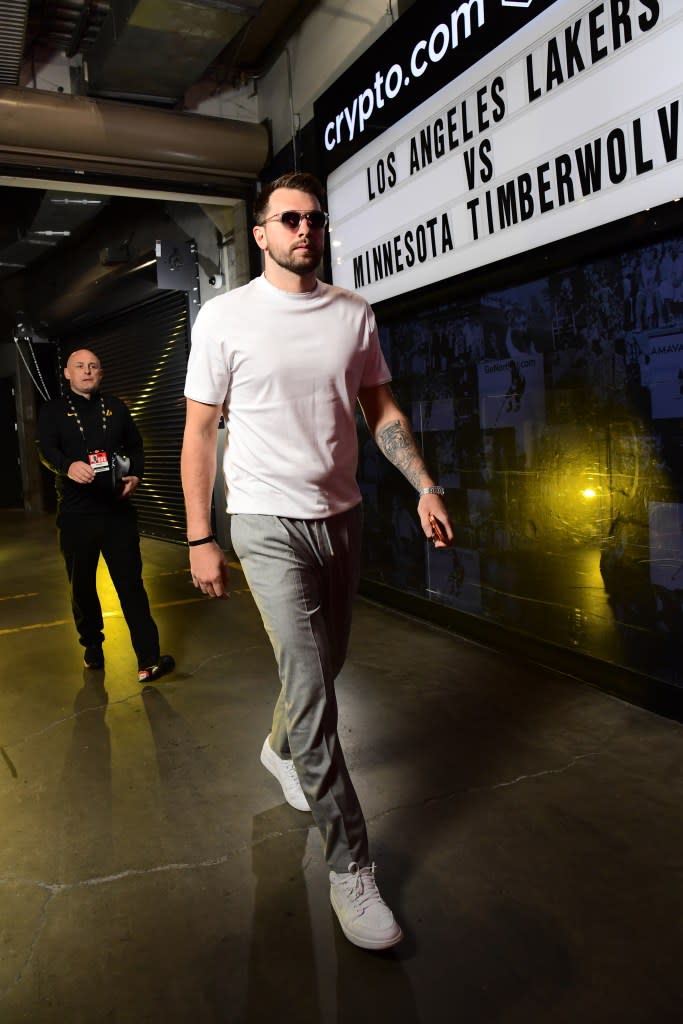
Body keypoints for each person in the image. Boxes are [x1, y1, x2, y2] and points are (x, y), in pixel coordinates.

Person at [181, 171, 453, 951]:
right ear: (261, 233)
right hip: (264, 522)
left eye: (314, 219)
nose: (305, 229)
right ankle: (350, 868)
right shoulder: (225, 318)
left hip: (342, 520)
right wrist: (201, 535)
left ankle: (278, 749)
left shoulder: (352, 314)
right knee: (313, 690)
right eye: (288, 218)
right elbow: (200, 432)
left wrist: (423, 484)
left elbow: (381, 410)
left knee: (323, 667)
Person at [37, 348, 174, 683]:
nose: (87, 371)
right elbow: (45, 449)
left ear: (101, 373)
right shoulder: (54, 410)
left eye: (94, 366)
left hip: (117, 514)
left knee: (131, 586)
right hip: (75, 515)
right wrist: (67, 466)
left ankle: (149, 658)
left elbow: (137, 447)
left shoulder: (115, 407)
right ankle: (92, 648)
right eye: (80, 366)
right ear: (67, 373)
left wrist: (136, 476)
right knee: (82, 587)